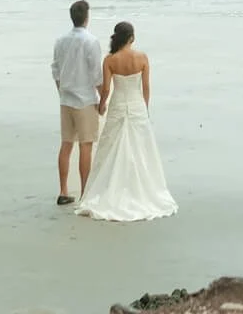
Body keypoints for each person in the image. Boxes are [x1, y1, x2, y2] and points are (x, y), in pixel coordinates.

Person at [75, 20, 176, 221]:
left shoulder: (110, 60)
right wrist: (144, 107)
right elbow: (146, 88)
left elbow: (105, 89)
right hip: (136, 105)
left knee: (111, 148)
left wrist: (102, 105)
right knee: (140, 149)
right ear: (131, 37)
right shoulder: (142, 58)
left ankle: (109, 190)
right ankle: (141, 190)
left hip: (118, 106)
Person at [52, 0, 103, 206]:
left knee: (66, 144)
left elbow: (55, 69)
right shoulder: (91, 41)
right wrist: (103, 98)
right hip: (84, 99)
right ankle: (85, 192)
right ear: (87, 17)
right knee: (86, 145)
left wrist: (61, 91)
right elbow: (96, 74)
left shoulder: (61, 40)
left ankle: (63, 190)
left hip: (66, 98)